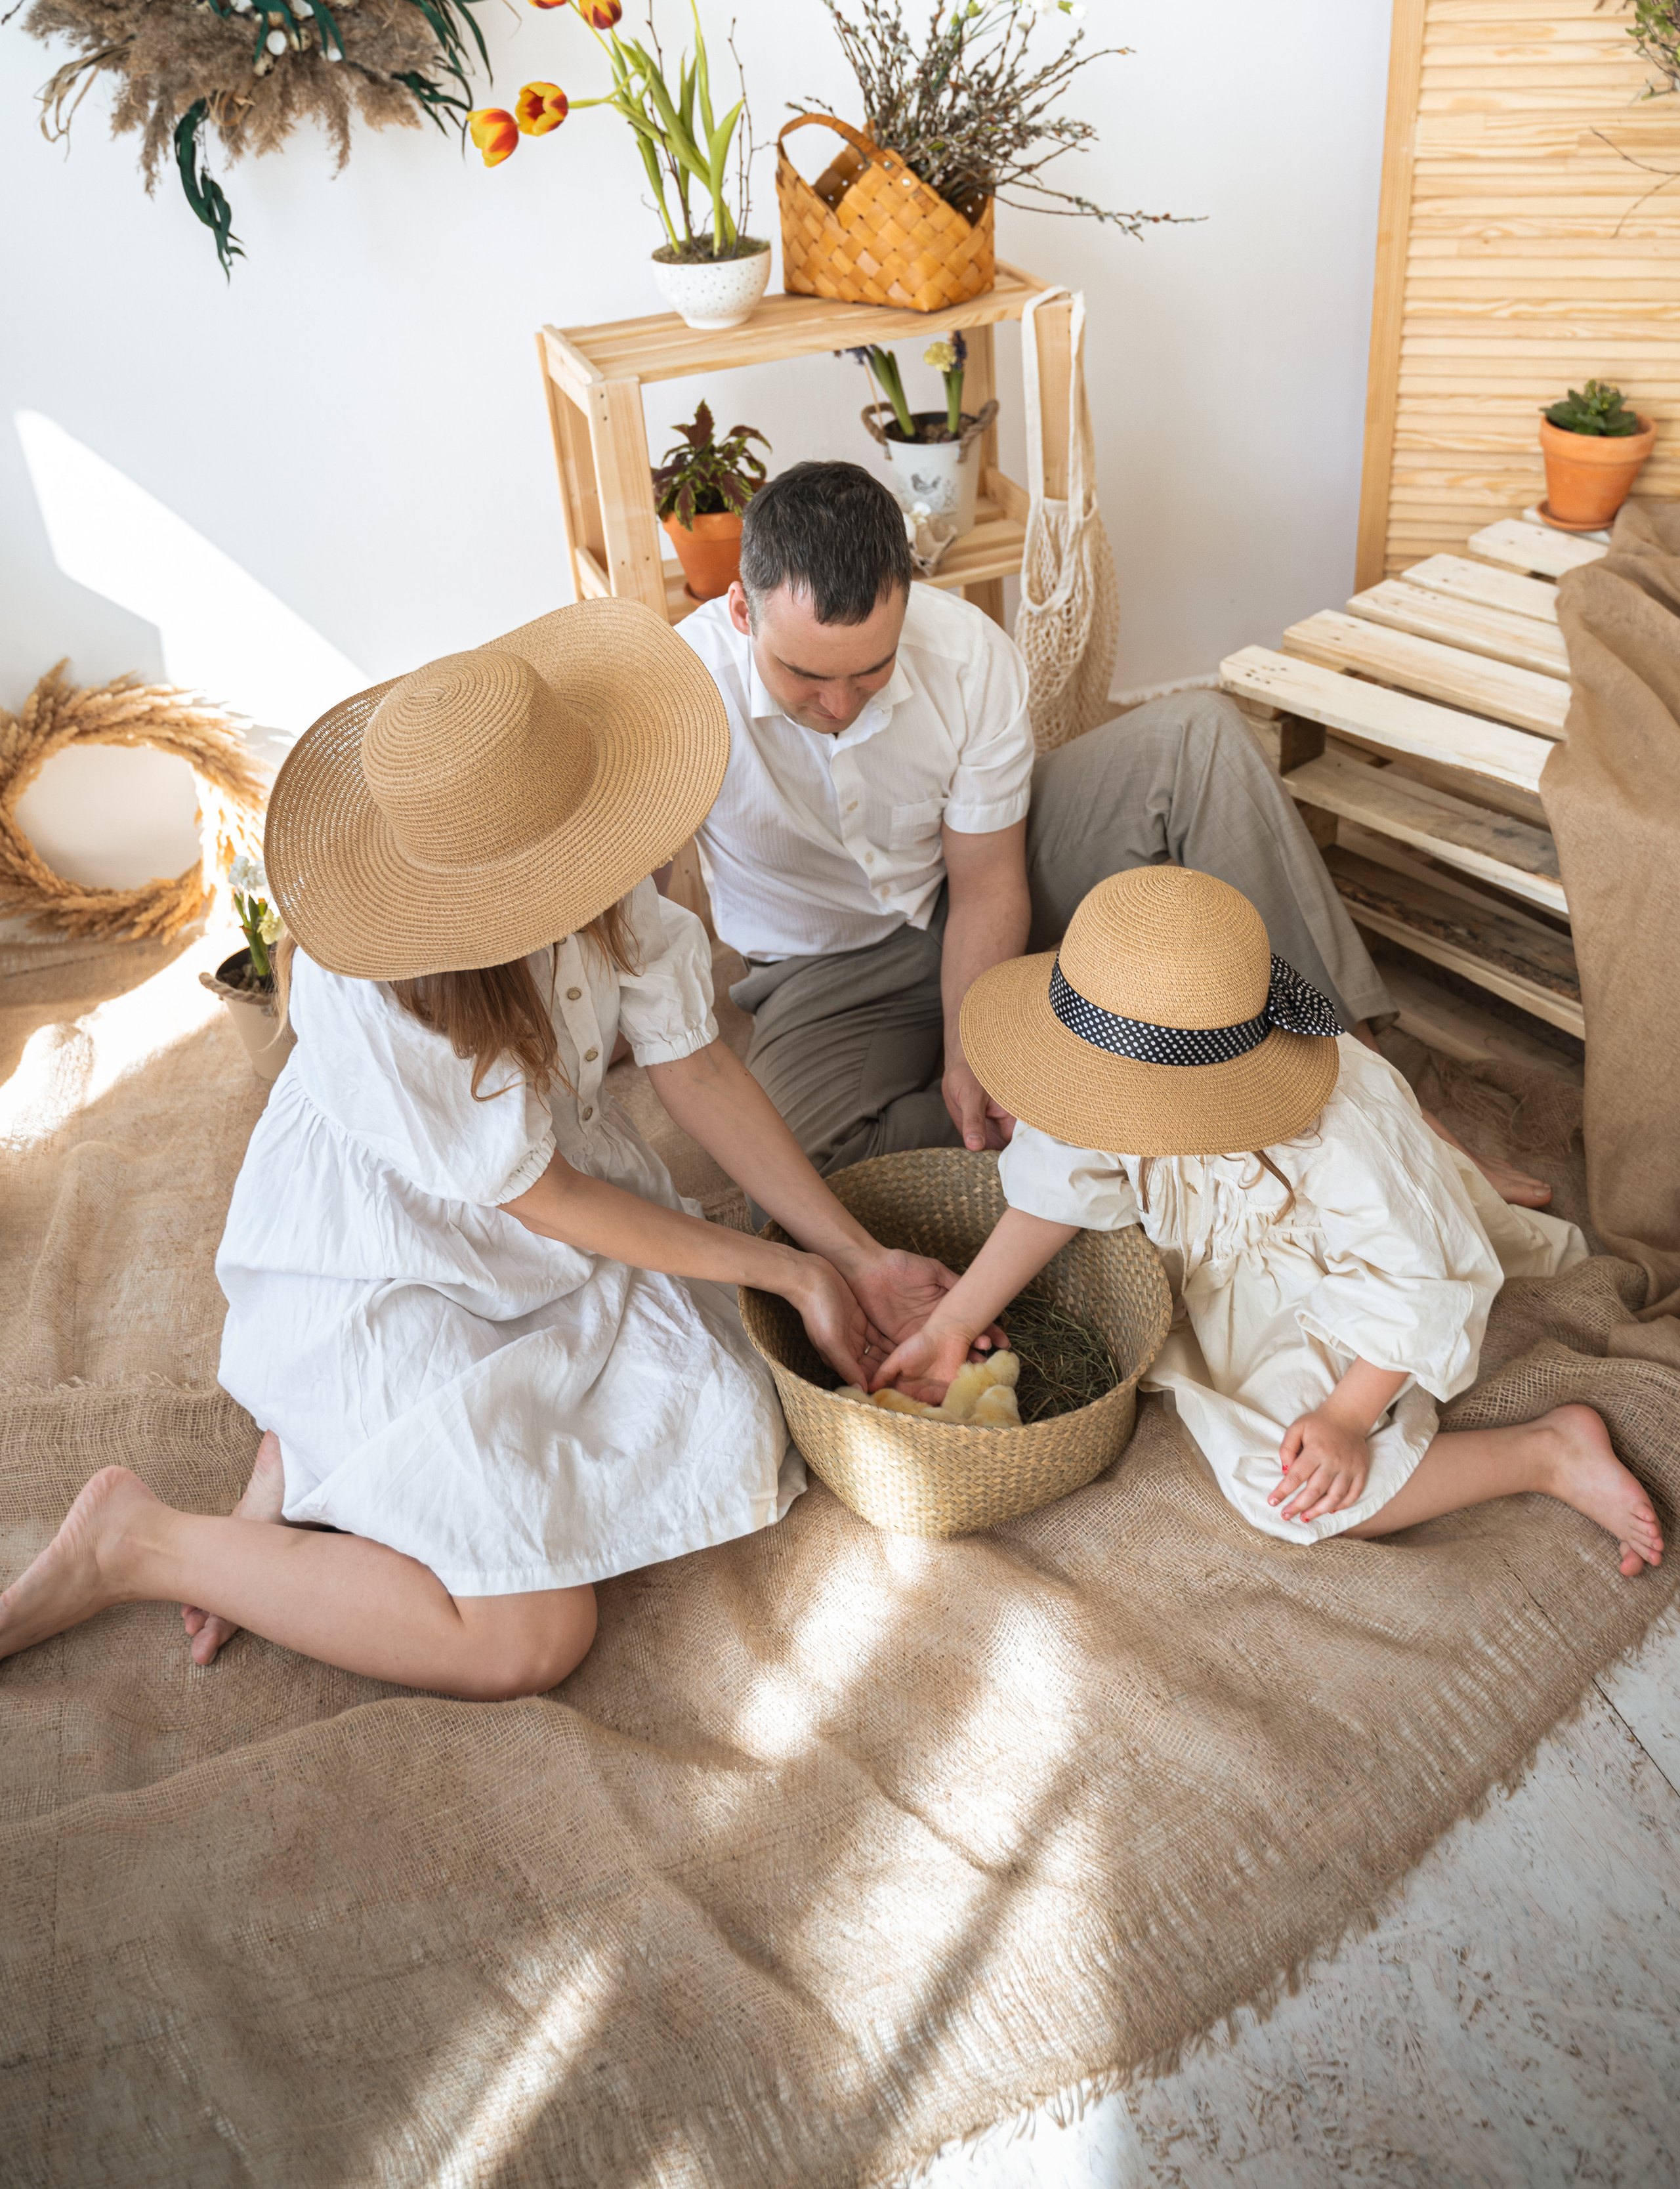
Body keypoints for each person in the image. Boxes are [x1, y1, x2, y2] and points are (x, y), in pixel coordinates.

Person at [0, 603, 978, 1697]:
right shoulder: (374, 986)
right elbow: (541, 1193)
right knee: (528, 1635)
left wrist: (850, 1255)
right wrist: (786, 1267)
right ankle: (137, 1539)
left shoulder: (591, 847)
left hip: (532, 1206)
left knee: (734, 1416)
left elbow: (693, 1064)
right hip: (395, 1247)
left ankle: (313, 1454)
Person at [679, 460, 1551, 1210]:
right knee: (801, 1176)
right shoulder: (677, 694)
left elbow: (987, 881)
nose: (838, 705)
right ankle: (1133, 1075)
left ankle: (1374, 1094)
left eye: (871, 670)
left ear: (906, 607)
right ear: (741, 611)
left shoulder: (966, 654)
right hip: (821, 970)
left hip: (979, 890)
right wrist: (982, 1068)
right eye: (806, 676)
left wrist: (970, 1038)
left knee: (1197, 736)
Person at [872, 866, 1662, 1578]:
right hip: (1227, 1277)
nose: (1096, 1116)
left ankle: (1545, 1453)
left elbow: (1415, 1277)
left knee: (1286, 1485)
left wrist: (1346, 1418)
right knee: (1253, 1431)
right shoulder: (1109, 1062)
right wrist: (954, 1321)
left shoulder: (1342, 1131)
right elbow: (1057, 1186)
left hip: (1335, 1287)